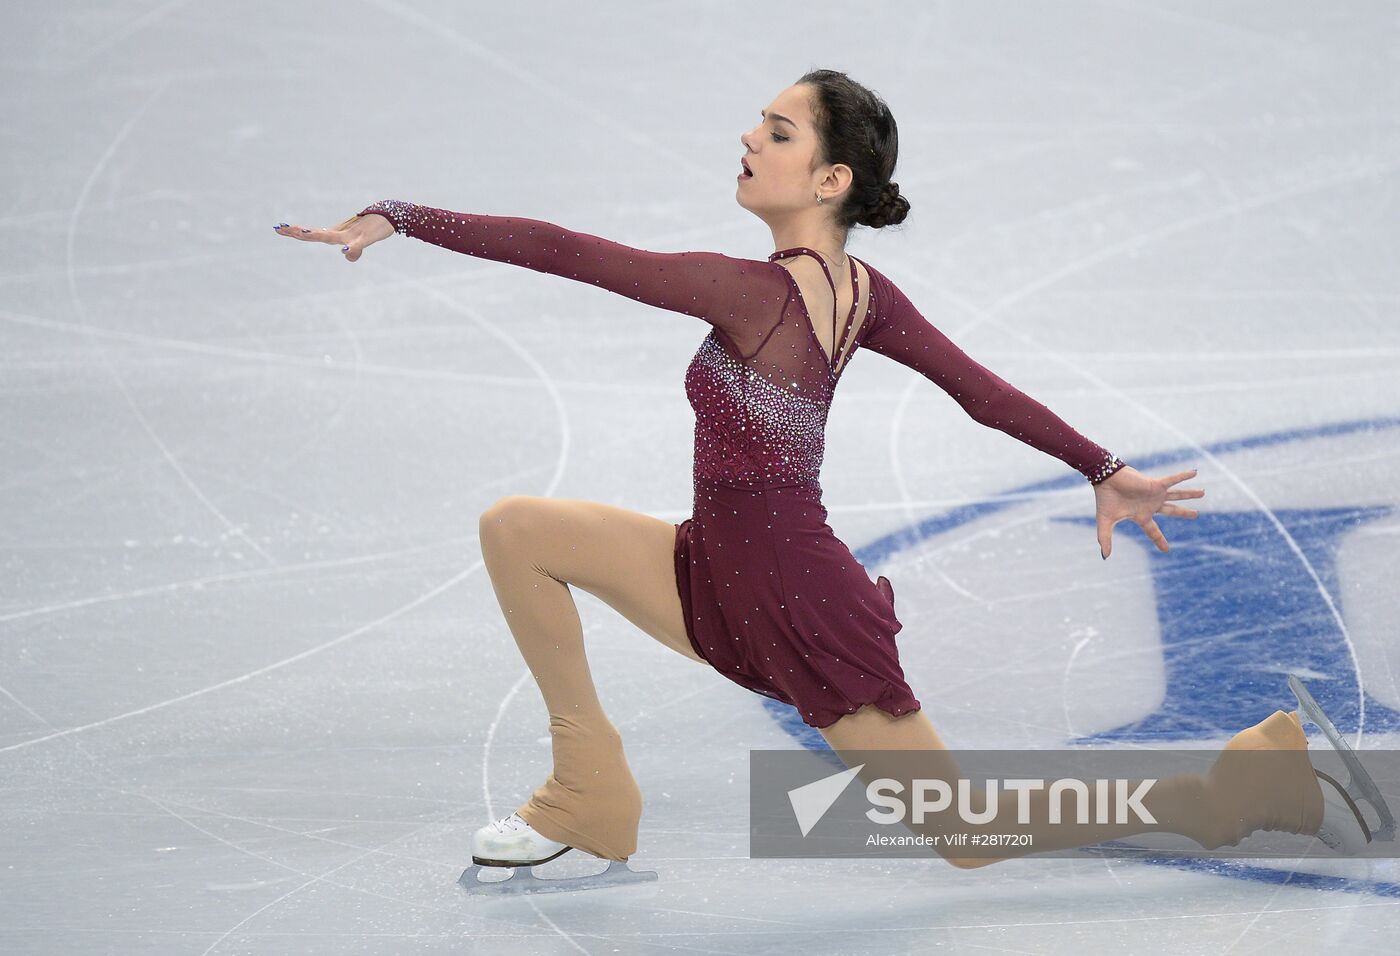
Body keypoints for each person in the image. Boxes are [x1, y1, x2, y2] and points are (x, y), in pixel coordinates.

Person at [274, 70, 1379, 892]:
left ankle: (1233, 793)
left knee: (965, 831)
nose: (748, 139)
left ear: (830, 176)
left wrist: (406, 215)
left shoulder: (751, 293)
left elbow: (568, 249)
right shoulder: (860, 291)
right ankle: (588, 791)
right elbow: (980, 392)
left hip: (794, 600)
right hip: (713, 564)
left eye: (776, 130)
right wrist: (1096, 465)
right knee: (520, 527)